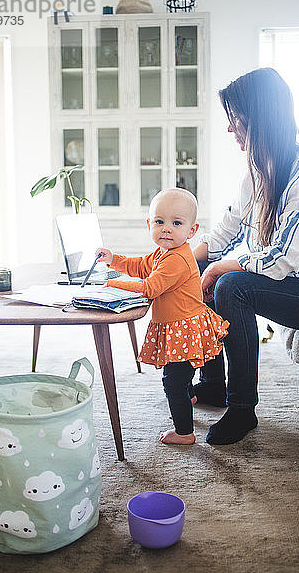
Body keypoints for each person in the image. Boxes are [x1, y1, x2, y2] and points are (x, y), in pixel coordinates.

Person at [192, 67, 299, 446]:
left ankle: (243, 408)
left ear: (258, 118)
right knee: (198, 268)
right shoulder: (259, 171)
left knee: (232, 285)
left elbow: (285, 259)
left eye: (236, 119)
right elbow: (222, 234)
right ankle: (214, 382)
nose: (230, 129)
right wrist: (178, 260)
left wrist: (222, 266)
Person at [96, 188, 229, 445]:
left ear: (191, 230)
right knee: (182, 375)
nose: (166, 229)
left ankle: (184, 432)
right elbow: (140, 266)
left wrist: (113, 285)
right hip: (180, 326)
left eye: (176, 223)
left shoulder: (177, 259)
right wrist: (113, 260)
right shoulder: (162, 253)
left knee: (173, 381)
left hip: (183, 329)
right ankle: (188, 400)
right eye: (159, 222)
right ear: (150, 224)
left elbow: (150, 287)